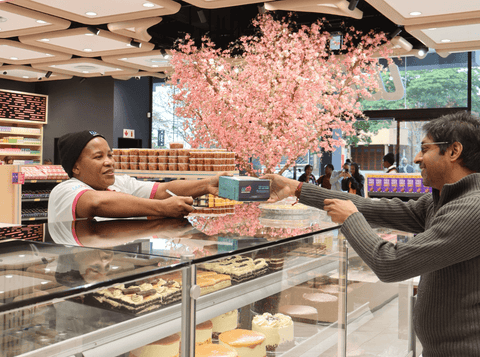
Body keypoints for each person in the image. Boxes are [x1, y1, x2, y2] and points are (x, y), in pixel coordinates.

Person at [261, 111, 480, 355]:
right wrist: (297, 189)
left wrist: (351, 219)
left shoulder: (472, 209)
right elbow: (374, 208)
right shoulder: (444, 200)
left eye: (425, 149)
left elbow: (391, 263)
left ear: (453, 151)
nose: (417, 158)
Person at [48, 130, 226, 223]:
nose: (109, 162)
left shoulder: (120, 182)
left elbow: (163, 190)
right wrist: (162, 208)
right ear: (76, 167)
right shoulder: (65, 190)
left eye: (110, 155)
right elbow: (96, 202)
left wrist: (206, 184)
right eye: (98, 157)